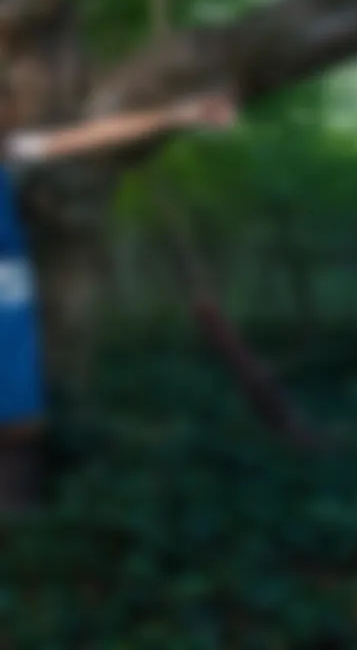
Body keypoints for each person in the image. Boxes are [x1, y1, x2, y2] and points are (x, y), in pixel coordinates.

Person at [0, 90, 238, 514]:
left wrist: (174, 112)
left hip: (10, 300)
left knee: (20, 424)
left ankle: (18, 521)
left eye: (5, 105)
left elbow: (91, 135)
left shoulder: (14, 150)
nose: (7, 112)